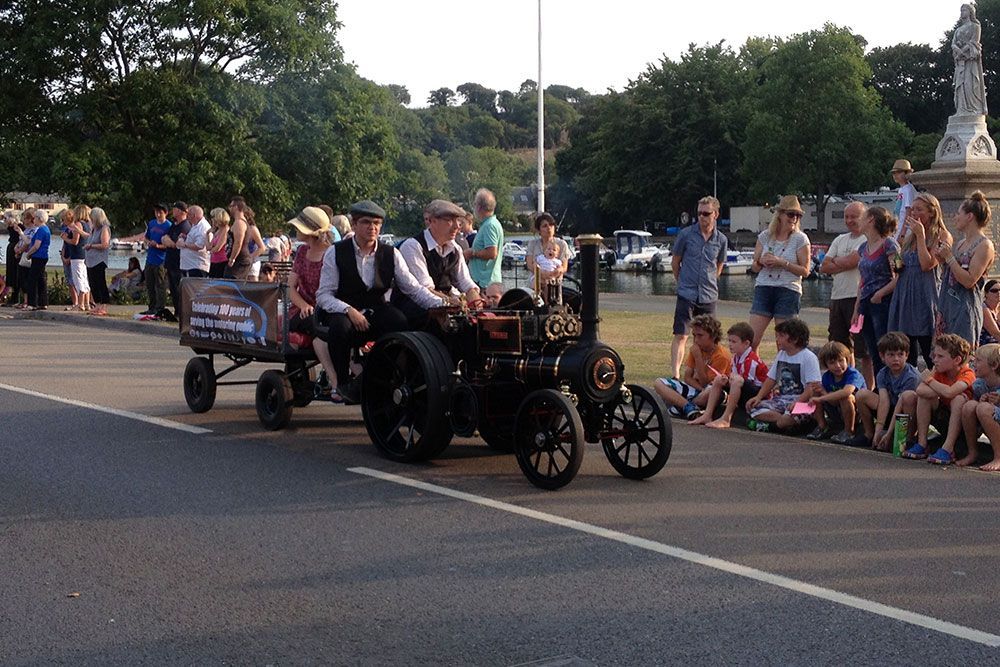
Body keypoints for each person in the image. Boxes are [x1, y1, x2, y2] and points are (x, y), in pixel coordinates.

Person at [315, 200, 448, 403]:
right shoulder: (336, 252)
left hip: (376, 308)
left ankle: (384, 375)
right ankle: (343, 383)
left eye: (377, 223)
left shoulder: (391, 253)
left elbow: (413, 288)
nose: (373, 228)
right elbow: (324, 295)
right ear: (354, 224)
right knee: (339, 328)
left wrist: (442, 305)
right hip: (345, 310)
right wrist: (349, 310)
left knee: (400, 322)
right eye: (367, 222)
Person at [283, 206, 340, 400]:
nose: (295, 231)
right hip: (302, 311)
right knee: (318, 326)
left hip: (327, 309)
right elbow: (290, 287)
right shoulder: (301, 252)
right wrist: (304, 305)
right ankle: (336, 382)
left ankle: (344, 379)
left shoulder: (332, 253)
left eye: (299, 227)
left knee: (323, 332)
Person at [888, 193, 950, 369]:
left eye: (919, 209)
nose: (913, 213)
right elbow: (900, 266)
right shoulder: (910, 237)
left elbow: (927, 264)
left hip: (925, 296)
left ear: (931, 212)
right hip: (905, 295)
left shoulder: (942, 235)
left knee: (929, 349)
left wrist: (921, 236)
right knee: (906, 350)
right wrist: (896, 261)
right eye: (912, 209)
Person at [396, 199, 481, 326]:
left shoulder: (456, 249)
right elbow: (424, 289)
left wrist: (477, 303)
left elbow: (464, 281)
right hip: (416, 309)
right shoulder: (413, 246)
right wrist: (453, 303)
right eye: (449, 220)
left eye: (458, 221)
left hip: (446, 304)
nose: (457, 226)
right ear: (432, 221)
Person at [669, 196, 728, 376]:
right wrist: (683, 282)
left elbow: (719, 266)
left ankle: (702, 374)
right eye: (699, 213)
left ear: (715, 214)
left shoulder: (721, 240)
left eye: (706, 213)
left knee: (708, 338)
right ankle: (676, 374)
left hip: (708, 295)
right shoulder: (685, 235)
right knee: (681, 334)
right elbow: (675, 262)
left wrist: (710, 282)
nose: (702, 217)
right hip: (687, 293)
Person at [899, 333, 975, 460]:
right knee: (924, 397)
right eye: (934, 356)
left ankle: (948, 448)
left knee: (958, 399)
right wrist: (942, 389)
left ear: (957, 360)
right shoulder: (938, 371)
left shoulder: (967, 373)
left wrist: (930, 381)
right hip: (943, 417)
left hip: (963, 423)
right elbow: (920, 390)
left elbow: (951, 393)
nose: (935, 360)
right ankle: (922, 443)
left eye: (940, 356)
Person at [749, 195, 811, 349]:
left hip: (788, 290)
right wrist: (761, 262)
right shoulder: (765, 236)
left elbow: (805, 271)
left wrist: (782, 263)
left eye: (797, 215)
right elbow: (754, 267)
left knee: (784, 342)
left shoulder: (801, 239)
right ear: (780, 215)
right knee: (751, 339)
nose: (794, 218)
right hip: (764, 288)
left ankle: (783, 371)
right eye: (791, 214)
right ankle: (753, 371)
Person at [821, 201, 872, 386]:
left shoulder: (867, 240)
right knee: (840, 346)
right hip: (837, 298)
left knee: (864, 349)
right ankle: (846, 383)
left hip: (857, 297)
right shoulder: (839, 239)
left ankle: (868, 387)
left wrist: (837, 262)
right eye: (847, 217)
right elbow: (824, 267)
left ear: (865, 218)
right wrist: (843, 262)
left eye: (854, 216)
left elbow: (855, 261)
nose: (849, 220)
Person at [934, 191, 995, 344]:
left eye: (958, 213)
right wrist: (941, 257)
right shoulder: (961, 243)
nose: (955, 217)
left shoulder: (984, 245)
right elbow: (953, 272)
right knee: (943, 354)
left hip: (965, 309)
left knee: (960, 354)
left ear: (970, 216)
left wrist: (949, 257)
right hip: (948, 305)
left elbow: (969, 280)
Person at [745, 318, 822, 433]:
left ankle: (772, 426)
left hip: (802, 402)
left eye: (781, 336)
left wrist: (798, 402)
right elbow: (771, 379)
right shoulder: (781, 354)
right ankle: (783, 425)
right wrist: (759, 397)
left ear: (794, 339)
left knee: (788, 418)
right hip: (781, 401)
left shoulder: (808, 357)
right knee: (753, 408)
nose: (777, 339)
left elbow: (811, 387)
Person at [850, 206, 900, 377]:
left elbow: (900, 274)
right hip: (866, 302)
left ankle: (889, 383)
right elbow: (862, 279)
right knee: (872, 348)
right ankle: (879, 386)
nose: (859, 220)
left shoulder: (889, 245)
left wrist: (881, 293)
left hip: (882, 302)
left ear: (871, 219)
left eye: (862, 217)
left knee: (883, 344)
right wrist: (857, 308)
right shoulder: (863, 247)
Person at [931, 343, 1000, 466]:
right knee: (970, 406)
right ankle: (972, 452)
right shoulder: (979, 384)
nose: (974, 364)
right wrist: (982, 400)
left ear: (994, 365)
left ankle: (998, 457)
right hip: (990, 420)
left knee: (983, 408)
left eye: (978, 361)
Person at [691, 321, 769, 429]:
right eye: (729, 341)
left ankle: (726, 418)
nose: (730, 344)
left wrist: (730, 380)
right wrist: (725, 380)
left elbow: (746, 382)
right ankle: (707, 415)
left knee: (736, 380)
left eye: (734, 341)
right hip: (744, 388)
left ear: (746, 343)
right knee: (719, 379)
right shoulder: (736, 357)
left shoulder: (751, 361)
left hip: (757, 395)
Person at [654, 314, 731, 420]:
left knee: (709, 392)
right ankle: (689, 407)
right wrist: (699, 389)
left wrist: (698, 358)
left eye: (700, 335)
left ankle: (681, 406)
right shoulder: (696, 349)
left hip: (713, 392)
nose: (696, 340)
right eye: (694, 335)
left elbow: (706, 384)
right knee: (659, 383)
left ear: (712, 336)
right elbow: (687, 377)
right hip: (696, 388)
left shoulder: (721, 356)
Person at [853, 332, 921, 450]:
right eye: (891, 355)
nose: (896, 359)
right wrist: (878, 431)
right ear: (882, 356)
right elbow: (884, 401)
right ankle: (869, 434)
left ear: (907, 355)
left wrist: (889, 433)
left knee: (908, 397)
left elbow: (902, 404)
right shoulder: (883, 373)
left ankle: (908, 438)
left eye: (900, 355)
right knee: (861, 394)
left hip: (906, 413)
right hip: (890, 407)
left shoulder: (911, 376)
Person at [807, 341, 867, 444]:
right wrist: (822, 392)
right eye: (832, 363)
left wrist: (822, 398)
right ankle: (822, 426)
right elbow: (834, 401)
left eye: (841, 360)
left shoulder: (853, 374)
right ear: (826, 365)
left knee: (846, 397)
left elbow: (846, 392)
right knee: (816, 391)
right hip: (836, 410)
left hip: (857, 414)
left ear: (847, 360)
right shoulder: (827, 376)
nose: (838, 366)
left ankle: (849, 431)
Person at [952, 3, 988, 116]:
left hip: (970, 62)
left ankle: (973, 109)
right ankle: (961, 110)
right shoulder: (958, 30)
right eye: (961, 10)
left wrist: (963, 51)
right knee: (960, 86)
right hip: (960, 62)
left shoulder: (975, 27)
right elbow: (952, 44)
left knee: (970, 85)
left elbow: (974, 42)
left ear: (970, 12)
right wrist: (958, 52)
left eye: (964, 10)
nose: (962, 12)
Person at [465, 188, 503, 289]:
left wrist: (472, 253)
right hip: (486, 280)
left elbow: (492, 253)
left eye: (475, 204)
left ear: (479, 207)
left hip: (485, 282)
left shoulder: (489, 226)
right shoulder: (490, 224)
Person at [161, 201, 190, 317]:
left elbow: (175, 244)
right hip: (170, 261)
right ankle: (177, 311)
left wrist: (168, 241)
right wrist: (167, 240)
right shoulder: (174, 225)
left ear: (181, 211)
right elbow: (164, 238)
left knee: (179, 288)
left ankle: (182, 312)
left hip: (178, 263)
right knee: (172, 288)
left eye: (175, 209)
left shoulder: (185, 226)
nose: (173, 211)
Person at [142, 204, 171, 317]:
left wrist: (159, 245)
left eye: (161, 212)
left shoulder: (168, 225)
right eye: (156, 212)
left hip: (161, 259)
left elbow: (170, 244)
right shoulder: (152, 223)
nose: (158, 215)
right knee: (150, 284)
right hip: (150, 258)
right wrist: (148, 242)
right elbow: (147, 236)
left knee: (160, 285)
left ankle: (160, 307)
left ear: (165, 213)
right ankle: (151, 306)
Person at [525, 212, 570, 281]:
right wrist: (541, 273)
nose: (549, 228)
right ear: (539, 230)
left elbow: (564, 266)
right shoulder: (532, 244)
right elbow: (529, 264)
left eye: (551, 225)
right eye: (545, 226)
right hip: (536, 280)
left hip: (554, 280)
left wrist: (556, 271)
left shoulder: (562, 244)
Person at [84, 206, 112, 316]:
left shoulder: (104, 228)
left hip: (99, 261)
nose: (91, 219)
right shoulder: (93, 229)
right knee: (93, 283)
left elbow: (105, 244)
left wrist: (91, 246)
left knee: (100, 283)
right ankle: (97, 305)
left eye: (92, 217)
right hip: (90, 261)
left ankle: (104, 306)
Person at [22, 208, 51, 311]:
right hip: (43, 256)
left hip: (38, 256)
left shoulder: (41, 230)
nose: (34, 220)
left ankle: (32, 303)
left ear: (39, 218)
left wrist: (29, 254)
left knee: (32, 279)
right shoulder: (46, 229)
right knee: (41, 279)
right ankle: (43, 302)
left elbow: (36, 245)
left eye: (35, 218)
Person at [63, 205, 91, 312]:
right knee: (84, 278)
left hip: (77, 255)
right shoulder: (87, 225)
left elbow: (75, 241)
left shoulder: (78, 224)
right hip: (84, 254)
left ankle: (80, 304)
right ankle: (87, 303)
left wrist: (66, 238)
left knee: (78, 279)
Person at [178, 204, 212, 279]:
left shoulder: (203, 227)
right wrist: (185, 237)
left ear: (194, 215)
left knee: (196, 288)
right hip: (189, 265)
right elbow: (194, 239)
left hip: (197, 266)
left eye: (189, 214)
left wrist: (184, 244)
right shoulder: (195, 225)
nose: (187, 217)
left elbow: (199, 246)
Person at [225, 196, 253, 279]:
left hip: (240, 261)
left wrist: (232, 259)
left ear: (236, 207)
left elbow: (238, 242)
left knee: (232, 286)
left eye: (231, 206)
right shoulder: (236, 222)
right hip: (236, 260)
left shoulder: (239, 223)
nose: (229, 209)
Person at [890, 160, 917, 242]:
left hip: (906, 230)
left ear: (907, 174)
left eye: (898, 172)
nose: (895, 175)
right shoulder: (901, 189)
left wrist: (903, 234)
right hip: (899, 226)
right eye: (894, 173)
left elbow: (908, 212)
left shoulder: (908, 189)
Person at [207, 207, 231, 278]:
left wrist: (211, 250)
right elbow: (208, 247)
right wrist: (207, 234)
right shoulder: (217, 231)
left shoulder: (225, 230)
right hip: (214, 261)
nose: (212, 220)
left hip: (222, 261)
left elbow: (218, 248)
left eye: (213, 218)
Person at [981, 279, 1000, 345]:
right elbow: (996, 333)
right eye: (994, 291)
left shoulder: (998, 310)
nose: (998, 293)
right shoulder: (984, 309)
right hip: (987, 348)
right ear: (986, 294)